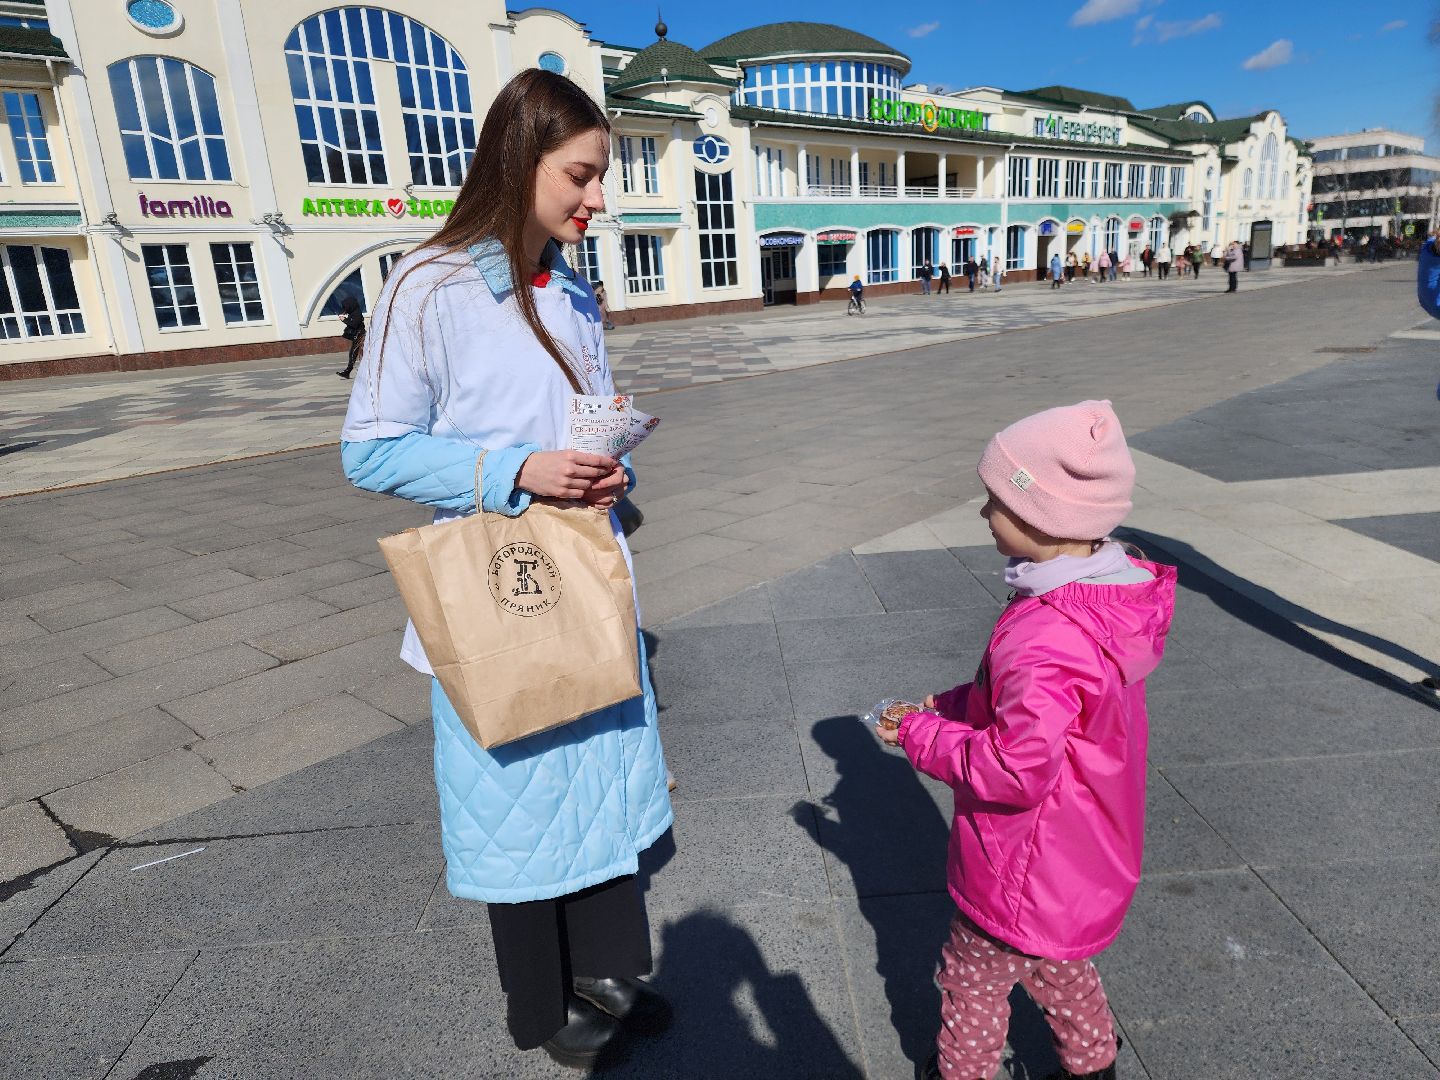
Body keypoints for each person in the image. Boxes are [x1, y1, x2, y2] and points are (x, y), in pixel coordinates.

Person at [339, 69, 673, 1072]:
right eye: (581, 174)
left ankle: (609, 973)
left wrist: (607, 462)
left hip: (585, 563)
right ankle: (543, 1006)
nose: (597, 197)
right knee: (520, 797)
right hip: (499, 584)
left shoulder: (570, 285)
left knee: (596, 782)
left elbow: (568, 412)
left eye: (601, 177)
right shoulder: (428, 286)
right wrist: (513, 470)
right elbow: (369, 449)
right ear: (521, 157)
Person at [876, 400, 1175, 1080]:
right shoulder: (1097, 602)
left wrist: (925, 737)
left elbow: (1016, 769)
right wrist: (951, 706)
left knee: (971, 979)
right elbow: (1037, 717)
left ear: (1044, 516)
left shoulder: (1044, 636)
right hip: (1079, 853)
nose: (984, 514)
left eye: (995, 501)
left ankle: (964, 1072)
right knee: (1059, 963)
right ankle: (1093, 1063)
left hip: (1022, 863)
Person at [335, 295, 366, 379]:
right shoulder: (353, 312)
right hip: (358, 336)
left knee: (354, 353)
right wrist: (343, 313)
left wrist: (344, 320)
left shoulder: (357, 314)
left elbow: (354, 324)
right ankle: (347, 372)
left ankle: (348, 371)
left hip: (360, 336)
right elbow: (345, 309)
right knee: (355, 353)